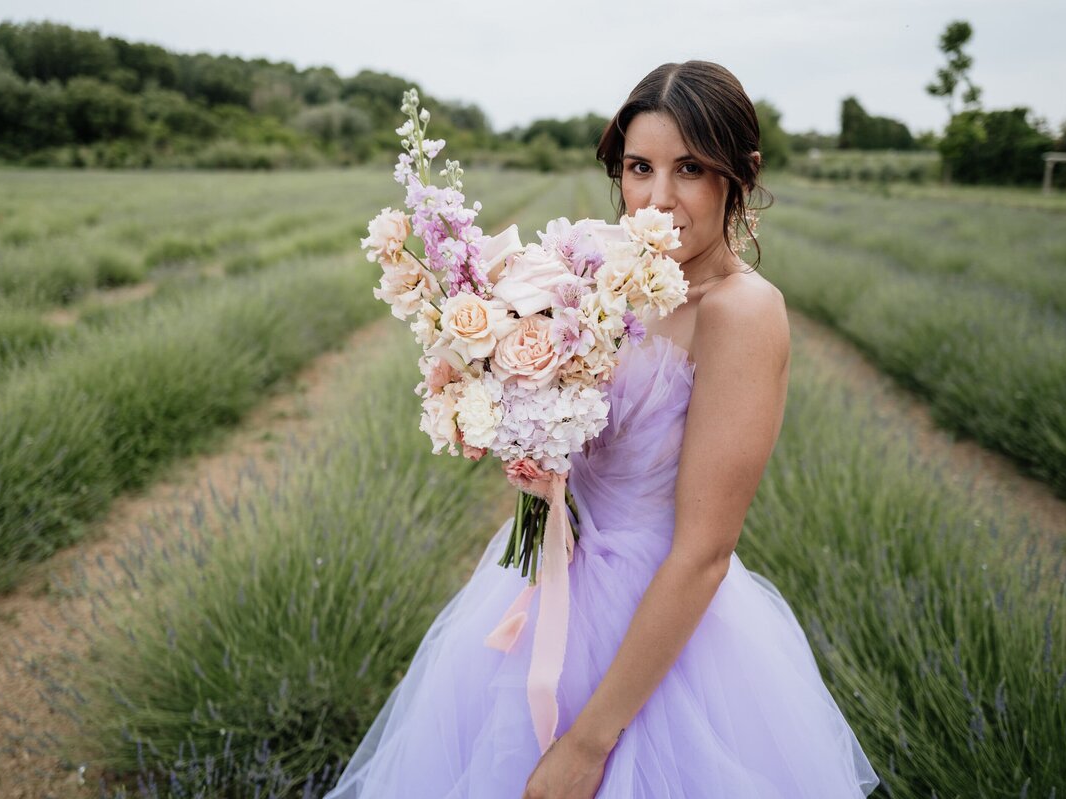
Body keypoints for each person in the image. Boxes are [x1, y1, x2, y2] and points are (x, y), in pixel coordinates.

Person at [323, 60, 880, 799]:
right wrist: (526, 439)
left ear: (739, 175)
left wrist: (589, 741)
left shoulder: (740, 312)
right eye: (639, 166)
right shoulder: (601, 279)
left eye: (691, 168)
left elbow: (706, 552)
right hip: (548, 578)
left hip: (655, 619)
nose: (658, 198)